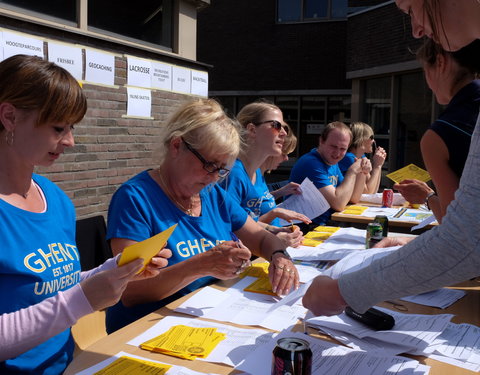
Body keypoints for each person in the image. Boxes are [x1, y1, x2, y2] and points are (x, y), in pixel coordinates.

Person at [302, 0, 480, 317]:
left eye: (412, 8)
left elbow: (465, 240)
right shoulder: (312, 164)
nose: (416, 29)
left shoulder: (438, 135)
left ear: (439, 64)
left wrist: (344, 290)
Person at [0, 55, 169, 373]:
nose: (70, 141)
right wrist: (83, 300)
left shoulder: (56, 199)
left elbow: (52, 286)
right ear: (9, 116)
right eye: (58, 127)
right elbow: (67, 302)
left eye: (72, 127)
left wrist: (115, 270)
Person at [106, 98, 299, 333]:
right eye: (209, 165)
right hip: (146, 331)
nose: (214, 177)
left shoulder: (212, 194)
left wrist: (280, 257)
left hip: (207, 319)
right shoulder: (135, 198)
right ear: (177, 146)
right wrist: (201, 265)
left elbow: (260, 238)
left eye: (222, 169)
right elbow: (129, 291)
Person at [393, 39, 479, 223]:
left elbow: (456, 227)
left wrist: (428, 197)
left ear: (440, 63)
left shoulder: (438, 137)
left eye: (425, 71)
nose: (428, 84)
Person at [221, 101, 309, 248]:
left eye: (284, 127)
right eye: (276, 125)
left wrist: (276, 230)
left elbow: (247, 223)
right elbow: (227, 228)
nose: (284, 133)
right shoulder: (234, 174)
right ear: (252, 130)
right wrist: (272, 240)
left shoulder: (254, 171)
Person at [289, 121, 370, 225]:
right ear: (321, 141)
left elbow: (353, 198)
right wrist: (352, 171)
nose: (337, 153)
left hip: (323, 224)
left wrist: (362, 172)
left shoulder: (331, 161)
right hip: (304, 227)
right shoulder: (311, 163)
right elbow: (339, 204)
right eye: (333, 146)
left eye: (342, 149)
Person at [338, 122, 387, 194]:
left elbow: (373, 190)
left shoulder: (361, 157)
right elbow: (367, 192)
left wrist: (379, 165)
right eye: (371, 137)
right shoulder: (349, 158)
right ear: (361, 139)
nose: (373, 141)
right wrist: (377, 166)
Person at [261, 122, 302, 201]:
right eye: (284, 154)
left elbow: (259, 201)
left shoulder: (258, 174)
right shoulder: (245, 173)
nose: (286, 158)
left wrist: (280, 192)